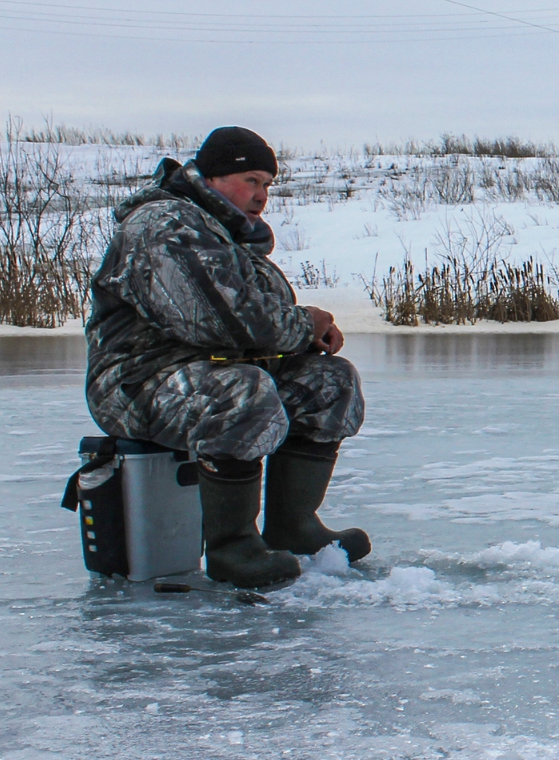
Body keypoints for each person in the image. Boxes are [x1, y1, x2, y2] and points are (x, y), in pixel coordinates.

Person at [85, 126, 370, 590]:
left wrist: (305, 338)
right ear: (212, 178)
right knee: (240, 391)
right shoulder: (163, 226)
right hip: (138, 383)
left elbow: (251, 318)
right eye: (252, 180)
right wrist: (304, 323)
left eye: (267, 185)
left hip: (204, 370)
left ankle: (293, 526)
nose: (261, 196)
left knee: (328, 381)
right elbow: (214, 320)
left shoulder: (227, 234)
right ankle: (231, 546)